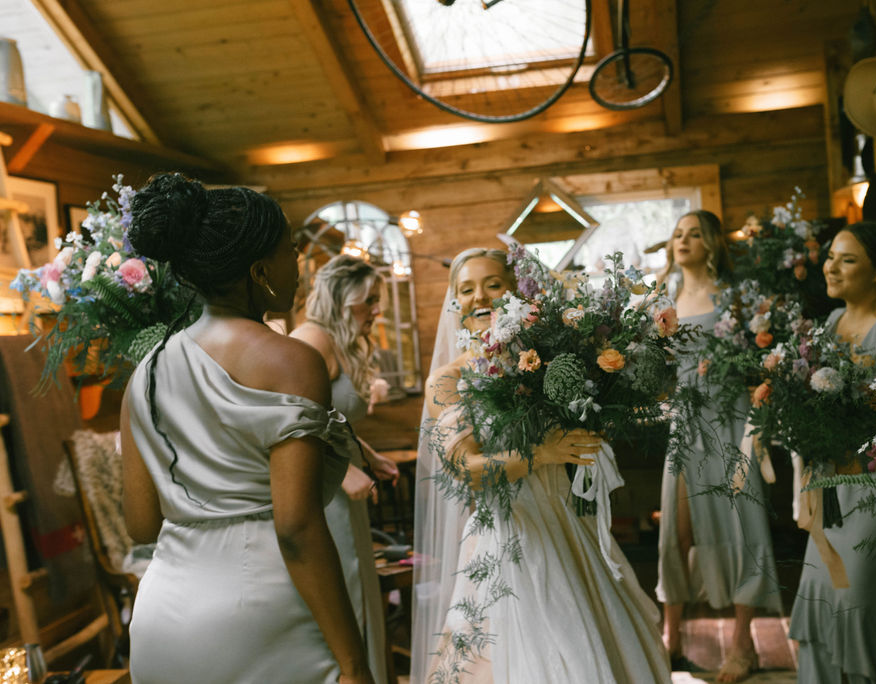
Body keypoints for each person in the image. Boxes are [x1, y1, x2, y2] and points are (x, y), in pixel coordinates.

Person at [120, 173, 372, 684]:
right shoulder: (291, 362)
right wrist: (354, 662)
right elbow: (297, 528)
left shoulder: (143, 374)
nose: (299, 264)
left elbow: (142, 525)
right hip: (263, 612)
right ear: (260, 271)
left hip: (163, 617)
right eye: (289, 251)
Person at [410, 248, 670, 683]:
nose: (480, 297)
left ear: (516, 293)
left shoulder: (548, 362)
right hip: (510, 536)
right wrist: (541, 454)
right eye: (467, 289)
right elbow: (466, 468)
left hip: (571, 525)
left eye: (493, 285)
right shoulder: (447, 381)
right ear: (455, 303)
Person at [788, 221, 876, 684]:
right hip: (828, 484)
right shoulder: (831, 322)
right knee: (819, 597)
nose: (831, 267)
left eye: (848, 260)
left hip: (875, 485)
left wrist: (851, 409)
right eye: (830, 256)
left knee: (860, 600)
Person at [655, 210, 781, 682]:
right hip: (685, 423)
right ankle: (674, 639)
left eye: (693, 234)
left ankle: (743, 645)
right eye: (677, 234)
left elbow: (764, 357)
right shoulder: (663, 298)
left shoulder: (734, 297)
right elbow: (659, 368)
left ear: (710, 242)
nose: (682, 241)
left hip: (730, 421)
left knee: (741, 523)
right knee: (678, 531)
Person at [290, 255, 400, 684]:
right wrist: (344, 470)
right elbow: (291, 427)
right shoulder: (310, 342)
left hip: (344, 490)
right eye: (369, 301)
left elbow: (329, 417)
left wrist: (366, 454)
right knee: (344, 589)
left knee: (358, 582)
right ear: (341, 298)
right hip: (322, 494)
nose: (377, 310)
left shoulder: (335, 342)